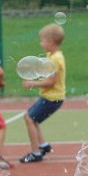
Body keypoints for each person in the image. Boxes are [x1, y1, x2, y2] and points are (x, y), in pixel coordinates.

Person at [19, 23, 66, 163]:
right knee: (30, 117)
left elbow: (52, 81)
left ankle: (35, 153)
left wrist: (33, 83)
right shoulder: (52, 56)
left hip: (53, 98)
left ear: (50, 42)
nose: (41, 44)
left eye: (42, 40)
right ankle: (43, 146)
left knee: (30, 119)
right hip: (50, 96)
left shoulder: (56, 59)